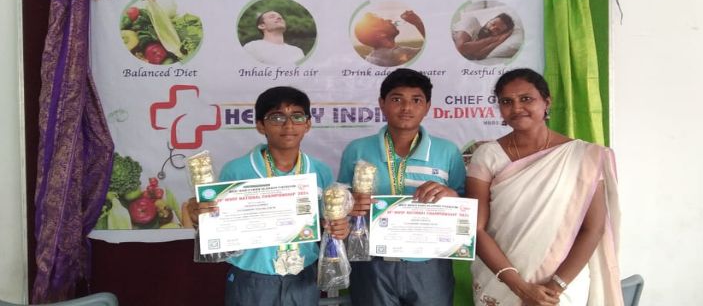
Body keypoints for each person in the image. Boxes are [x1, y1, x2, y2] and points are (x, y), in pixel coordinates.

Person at [466, 68, 622, 306]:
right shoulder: (487, 155)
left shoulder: (582, 156)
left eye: (526, 99)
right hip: (500, 282)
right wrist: (520, 287)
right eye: (507, 101)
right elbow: (476, 229)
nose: (517, 108)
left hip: (562, 285)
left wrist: (554, 287)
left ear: (546, 102)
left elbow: (593, 228)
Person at [188, 86, 349, 306]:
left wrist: (339, 228)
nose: (288, 125)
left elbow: (327, 225)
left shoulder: (320, 171)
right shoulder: (236, 171)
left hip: (303, 276)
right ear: (260, 125)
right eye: (277, 117)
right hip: (252, 278)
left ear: (308, 124)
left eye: (297, 116)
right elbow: (220, 228)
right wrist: (202, 218)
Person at [338, 68, 466, 306]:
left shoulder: (447, 151)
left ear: (427, 107)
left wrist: (452, 195)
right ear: (382, 104)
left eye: (416, 100)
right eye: (397, 99)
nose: (406, 108)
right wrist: (350, 204)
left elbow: (465, 202)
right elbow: (340, 201)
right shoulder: (357, 150)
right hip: (372, 261)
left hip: (430, 262)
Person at [353, 11, 424, 67]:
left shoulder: (371, 58)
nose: (389, 20)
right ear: (381, 34)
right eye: (383, 21)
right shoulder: (395, 54)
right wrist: (418, 23)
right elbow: (428, 52)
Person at [452, 12, 516, 61]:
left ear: (499, 34)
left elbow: (477, 56)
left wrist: (499, 41)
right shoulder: (472, 21)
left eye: (497, 30)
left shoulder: (485, 44)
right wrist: (493, 39)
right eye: (492, 24)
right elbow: (461, 47)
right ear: (489, 21)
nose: (492, 28)